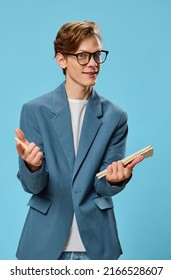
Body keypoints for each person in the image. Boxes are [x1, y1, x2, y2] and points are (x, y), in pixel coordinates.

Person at [15, 21, 143, 260]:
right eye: (83, 56)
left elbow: (101, 185)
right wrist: (32, 167)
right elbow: (33, 186)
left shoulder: (116, 117)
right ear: (61, 60)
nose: (93, 63)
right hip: (43, 244)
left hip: (96, 244)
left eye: (97, 55)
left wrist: (115, 180)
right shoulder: (35, 111)